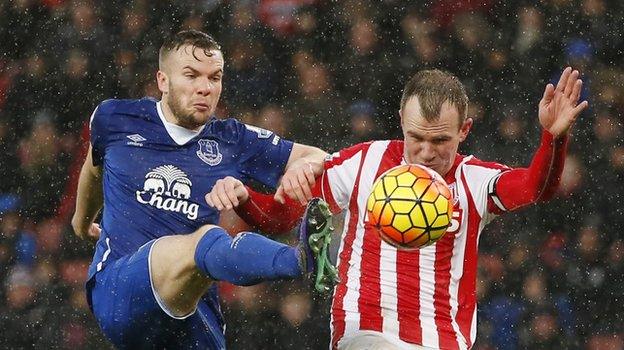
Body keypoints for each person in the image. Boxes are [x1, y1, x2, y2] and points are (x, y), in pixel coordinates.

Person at [208, 68, 588, 349]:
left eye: (440, 140)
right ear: (401, 125)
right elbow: (282, 217)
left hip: (443, 339)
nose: (425, 152)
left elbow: (535, 188)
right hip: (365, 331)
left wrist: (553, 139)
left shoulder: (472, 179)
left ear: (464, 131)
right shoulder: (363, 162)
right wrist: (245, 199)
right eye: (416, 137)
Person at [71, 30, 336, 349]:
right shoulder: (115, 118)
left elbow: (317, 156)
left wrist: (301, 169)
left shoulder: (232, 139)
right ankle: (299, 259)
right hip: (119, 293)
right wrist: (81, 220)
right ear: (163, 80)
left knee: (205, 245)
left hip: (192, 313)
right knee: (207, 237)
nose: (205, 88)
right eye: (191, 75)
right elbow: (94, 166)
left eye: (215, 78)